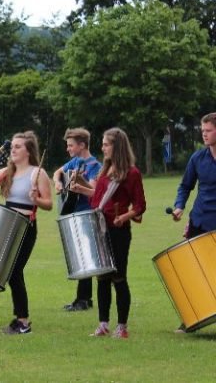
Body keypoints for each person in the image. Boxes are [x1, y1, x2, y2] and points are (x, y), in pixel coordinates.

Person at [0, 131, 52, 335]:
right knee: (10, 273)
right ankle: (20, 319)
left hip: (26, 226)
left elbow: (49, 204)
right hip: (7, 225)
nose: (13, 150)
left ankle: (23, 321)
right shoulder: (7, 172)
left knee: (15, 272)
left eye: (18, 147)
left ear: (28, 151)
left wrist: (36, 200)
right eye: (12, 147)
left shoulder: (37, 173)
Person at [88, 128, 146, 339]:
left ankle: (122, 327)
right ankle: (103, 324)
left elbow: (140, 205)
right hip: (100, 228)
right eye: (103, 144)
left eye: (106, 144)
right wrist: (81, 188)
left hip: (119, 232)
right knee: (102, 277)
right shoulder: (105, 171)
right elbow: (98, 200)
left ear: (117, 146)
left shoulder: (132, 173)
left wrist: (125, 217)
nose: (102, 148)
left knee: (118, 277)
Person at [170, 112, 216, 333]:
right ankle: (189, 318)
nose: (204, 134)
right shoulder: (197, 158)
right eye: (202, 131)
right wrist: (179, 206)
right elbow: (185, 186)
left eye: (208, 131)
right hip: (199, 220)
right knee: (193, 272)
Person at [52, 128, 102, 312]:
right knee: (81, 255)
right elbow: (57, 172)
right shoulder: (74, 161)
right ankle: (84, 299)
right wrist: (58, 182)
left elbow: (93, 191)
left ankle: (83, 299)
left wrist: (80, 180)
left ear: (82, 145)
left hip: (87, 214)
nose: (68, 149)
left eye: (71, 145)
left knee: (86, 257)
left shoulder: (95, 166)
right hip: (74, 212)